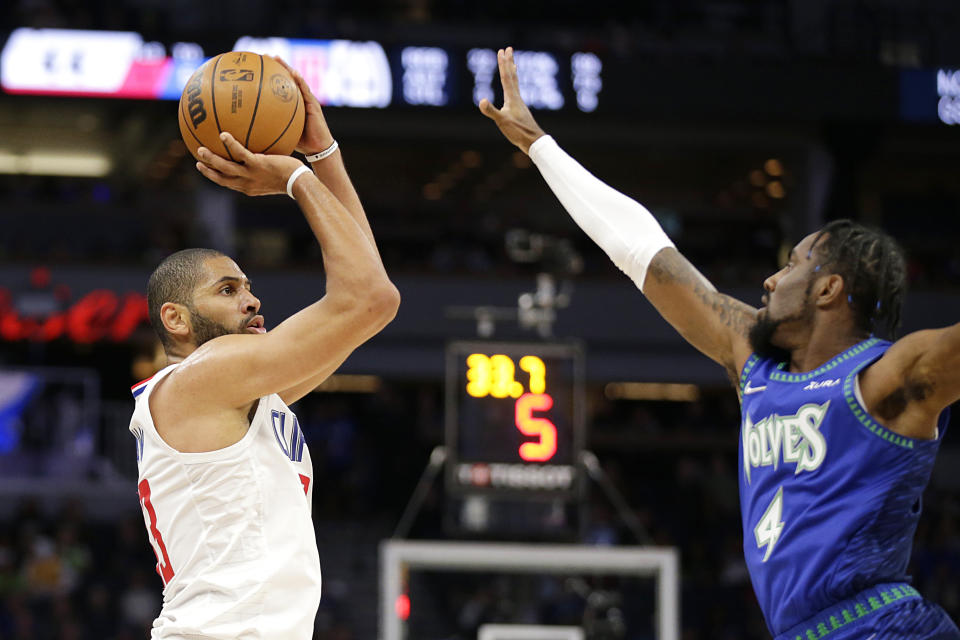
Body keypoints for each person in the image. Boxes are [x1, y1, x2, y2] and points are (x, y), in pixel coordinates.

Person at [480, 47, 960, 640]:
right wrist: (540, 147)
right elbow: (643, 251)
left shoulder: (891, 378)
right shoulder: (754, 362)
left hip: (880, 626)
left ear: (830, 289)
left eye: (792, 265)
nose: (770, 279)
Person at [127, 57, 400, 640]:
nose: (252, 301)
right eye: (228, 290)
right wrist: (295, 178)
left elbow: (368, 297)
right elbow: (371, 296)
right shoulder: (205, 376)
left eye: (250, 288)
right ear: (176, 319)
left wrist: (323, 153)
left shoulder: (240, 394)